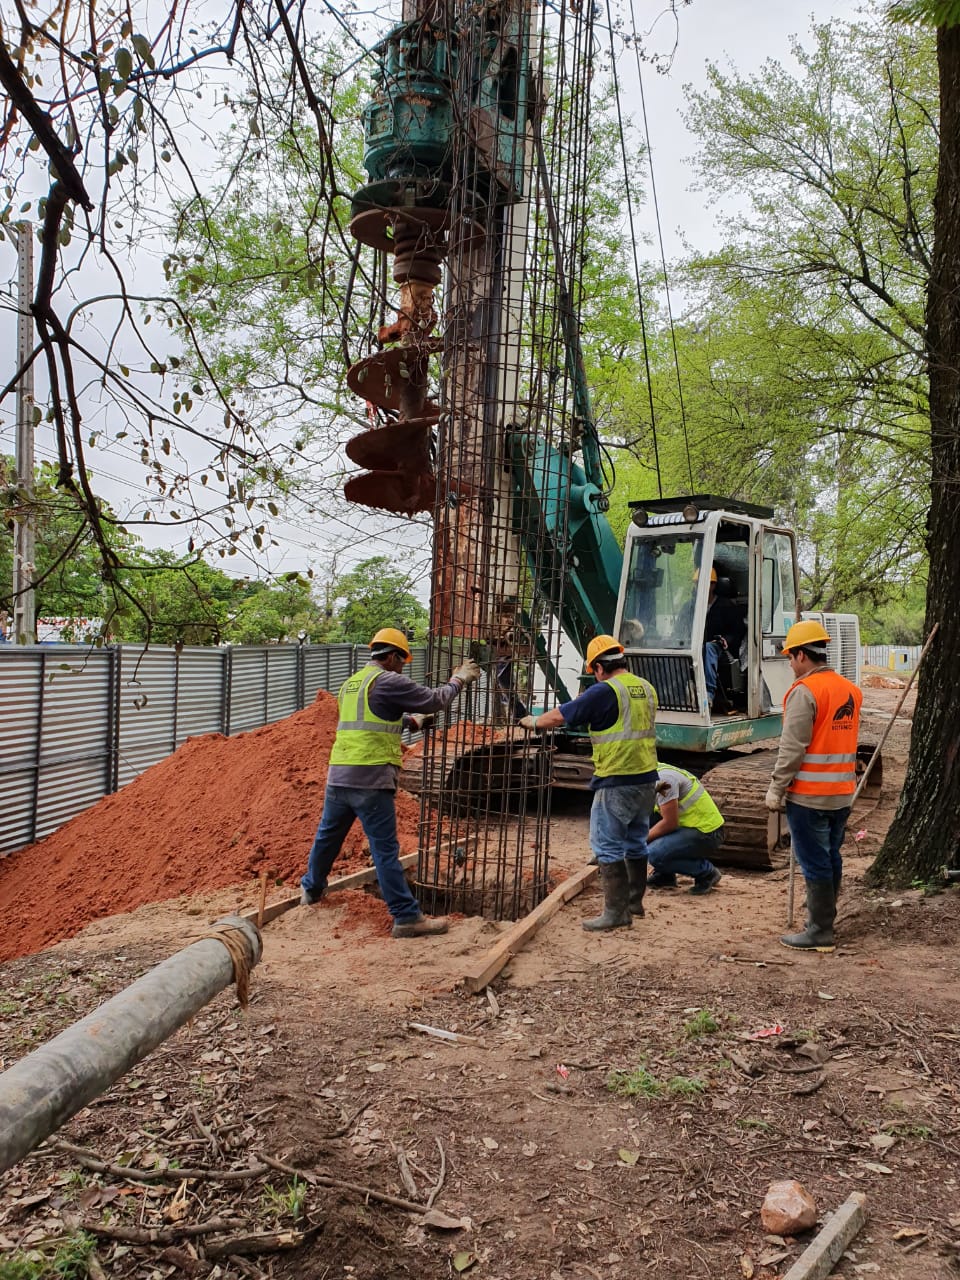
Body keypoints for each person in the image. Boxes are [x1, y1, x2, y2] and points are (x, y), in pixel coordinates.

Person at [300, 627, 482, 938]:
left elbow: (373, 716)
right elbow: (435, 700)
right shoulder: (388, 680)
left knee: (327, 838)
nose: (403, 667)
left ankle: (311, 891)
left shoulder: (352, 684)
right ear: (393, 656)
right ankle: (406, 916)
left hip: (340, 775)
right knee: (385, 850)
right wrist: (459, 679)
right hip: (371, 778)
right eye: (402, 660)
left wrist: (411, 722)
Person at [519, 635, 658, 931]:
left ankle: (616, 913)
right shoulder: (645, 687)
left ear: (598, 666)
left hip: (616, 778)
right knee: (635, 840)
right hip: (646, 777)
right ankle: (634, 902)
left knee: (606, 844)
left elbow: (561, 715)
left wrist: (532, 722)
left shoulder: (604, 691)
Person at [764, 619, 862, 951]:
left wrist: (777, 788)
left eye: (790, 657)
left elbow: (792, 747)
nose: (789, 664)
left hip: (809, 797)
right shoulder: (850, 690)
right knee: (831, 856)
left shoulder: (804, 692)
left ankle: (820, 930)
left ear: (803, 656)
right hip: (842, 794)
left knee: (815, 861)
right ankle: (822, 920)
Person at [646, 763, 724, 894]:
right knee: (646, 820)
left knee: (654, 853)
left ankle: (706, 873)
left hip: (707, 832)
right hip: (687, 827)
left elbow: (670, 823)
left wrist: (639, 839)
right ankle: (665, 875)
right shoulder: (649, 772)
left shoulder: (663, 780)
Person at [702, 568, 747, 711]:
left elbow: (737, 631)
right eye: (697, 583)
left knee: (709, 648)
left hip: (719, 647)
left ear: (713, 585)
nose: (699, 587)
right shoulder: (692, 606)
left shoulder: (726, 606)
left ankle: (708, 695)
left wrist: (725, 640)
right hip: (697, 645)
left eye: (705, 583)